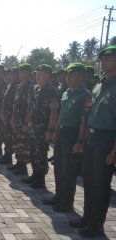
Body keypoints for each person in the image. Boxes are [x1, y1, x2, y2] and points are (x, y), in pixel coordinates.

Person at [69, 45, 116, 238]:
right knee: (88, 181)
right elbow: (88, 114)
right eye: (102, 59)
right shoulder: (99, 85)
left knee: (101, 185)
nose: (103, 62)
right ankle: (87, 218)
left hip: (107, 139)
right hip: (91, 137)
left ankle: (97, 225)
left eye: (108, 58)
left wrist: (114, 151)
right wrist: (82, 139)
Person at [43, 63, 91, 213]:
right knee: (58, 166)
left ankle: (67, 202)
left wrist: (80, 141)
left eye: (72, 75)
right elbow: (60, 114)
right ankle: (58, 195)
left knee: (68, 170)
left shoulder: (86, 95)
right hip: (62, 132)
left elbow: (85, 120)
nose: (68, 78)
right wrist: (55, 132)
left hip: (73, 134)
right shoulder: (66, 92)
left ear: (81, 77)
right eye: (67, 75)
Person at [23, 64, 58, 189]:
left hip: (43, 129)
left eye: (40, 74)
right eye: (37, 73)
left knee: (41, 154)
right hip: (33, 127)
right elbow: (30, 108)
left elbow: (54, 112)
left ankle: (41, 179)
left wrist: (50, 130)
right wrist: (27, 123)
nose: (37, 76)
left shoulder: (52, 90)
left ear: (48, 75)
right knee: (33, 152)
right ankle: (35, 175)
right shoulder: (36, 88)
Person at [10, 63, 34, 175]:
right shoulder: (20, 86)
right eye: (19, 72)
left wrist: (26, 123)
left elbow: (30, 107)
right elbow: (15, 104)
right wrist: (12, 117)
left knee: (23, 144)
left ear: (28, 73)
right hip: (16, 120)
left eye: (21, 72)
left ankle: (23, 167)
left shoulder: (30, 87)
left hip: (23, 121)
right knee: (16, 143)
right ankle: (18, 164)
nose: (19, 74)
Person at [0, 67, 19, 165]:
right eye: (8, 75)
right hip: (6, 117)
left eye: (12, 75)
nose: (9, 76)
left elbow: (15, 104)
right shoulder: (9, 86)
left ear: (16, 76)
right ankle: (6, 156)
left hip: (11, 117)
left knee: (10, 138)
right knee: (5, 137)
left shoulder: (16, 87)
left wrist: (12, 117)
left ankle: (9, 158)